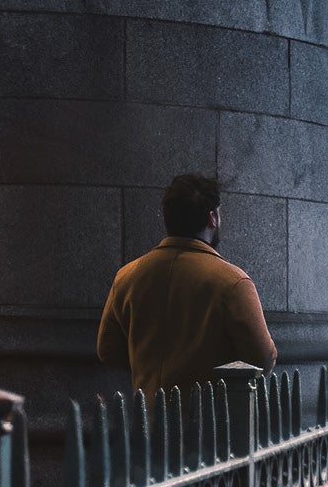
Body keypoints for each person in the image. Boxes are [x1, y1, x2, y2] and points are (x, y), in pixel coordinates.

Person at [97, 172, 276, 409]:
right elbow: (262, 358)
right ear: (212, 218)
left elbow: (107, 351)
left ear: (168, 218)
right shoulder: (233, 282)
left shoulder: (127, 276)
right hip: (209, 421)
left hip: (150, 418)